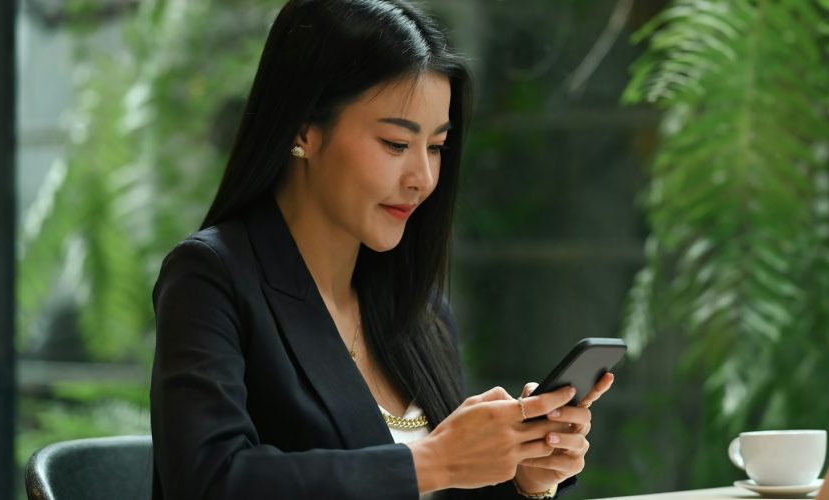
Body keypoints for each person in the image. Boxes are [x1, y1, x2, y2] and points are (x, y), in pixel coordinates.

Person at [149, 1, 614, 498]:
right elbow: (210, 482)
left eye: (436, 147)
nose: (424, 178)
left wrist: (524, 478)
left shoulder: (419, 305)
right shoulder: (211, 277)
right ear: (304, 129)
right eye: (396, 143)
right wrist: (433, 460)